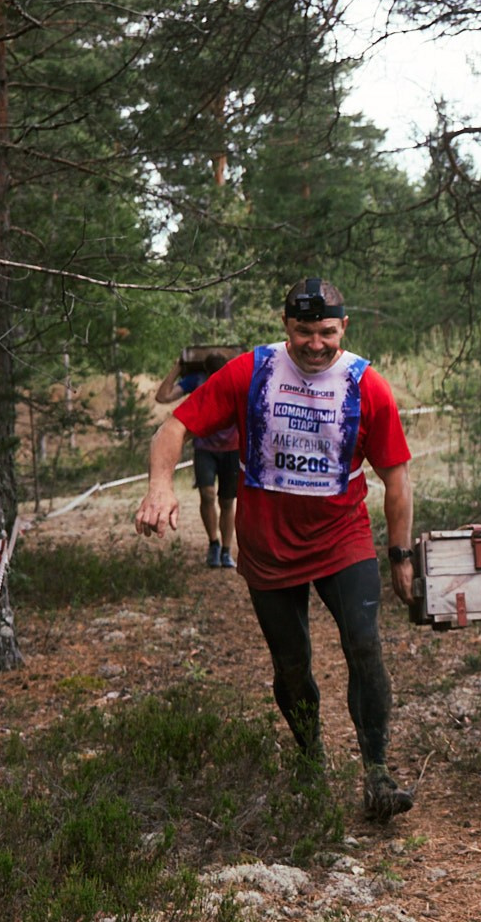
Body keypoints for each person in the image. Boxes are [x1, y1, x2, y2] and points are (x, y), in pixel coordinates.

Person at [135, 279, 420, 824]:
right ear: (286, 326)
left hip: (344, 538)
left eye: (327, 333)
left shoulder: (366, 385)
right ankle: (310, 758)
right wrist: (160, 487)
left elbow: (397, 479)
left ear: (345, 329)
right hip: (268, 548)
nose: (316, 344)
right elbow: (174, 425)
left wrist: (401, 556)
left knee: (365, 646)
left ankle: (378, 772)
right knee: (292, 666)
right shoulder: (252, 372)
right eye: (304, 332)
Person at [154, 346, 245, 568]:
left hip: (232, 448)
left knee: (226, 501)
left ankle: (225, 550)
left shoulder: (234, 380)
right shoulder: (196, 380)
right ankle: (213, 544)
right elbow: (163, 396)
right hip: (205, 448)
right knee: (207, 494)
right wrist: (178, 367)